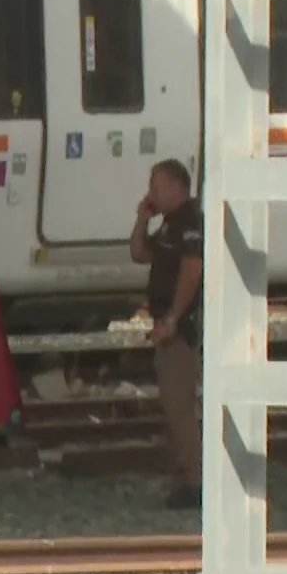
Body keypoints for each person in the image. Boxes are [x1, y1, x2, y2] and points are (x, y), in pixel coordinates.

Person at [129, 159, 203, 510]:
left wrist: (173, 318)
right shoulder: (170, 225)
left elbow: (191, 274)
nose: (150, 193)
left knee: (180, 408)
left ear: (177, 187)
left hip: (179, 330)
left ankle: (193, 482)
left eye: (156, 187)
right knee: (173, 408)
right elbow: (140, 254)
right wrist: (143, 219)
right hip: (165, 327)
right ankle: (182, 478)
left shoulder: (189, 223)